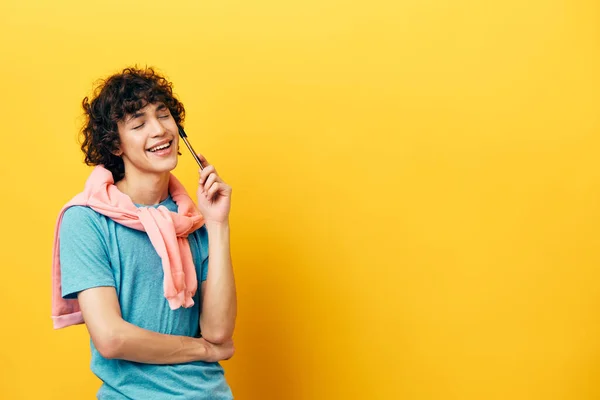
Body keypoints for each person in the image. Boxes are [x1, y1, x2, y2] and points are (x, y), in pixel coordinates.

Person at [54, 67, 237, 399]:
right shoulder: (86, 220)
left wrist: (217, 224)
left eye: (164, 116)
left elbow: (218, 330)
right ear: (115, 146)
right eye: (138, 124)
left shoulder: (192, 220)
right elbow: (111, 338)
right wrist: (202, 351)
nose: (159, 130)